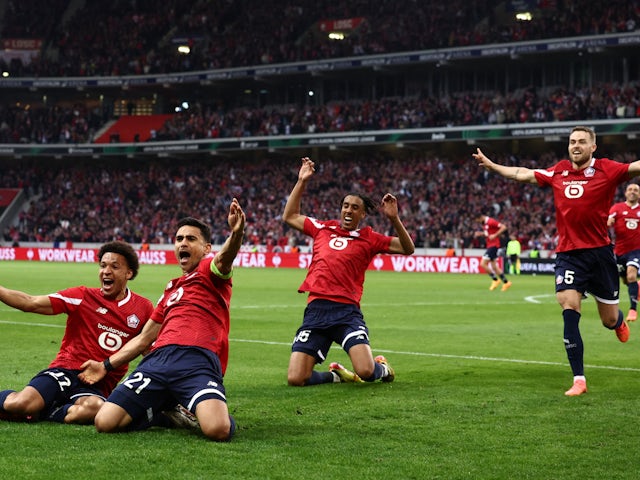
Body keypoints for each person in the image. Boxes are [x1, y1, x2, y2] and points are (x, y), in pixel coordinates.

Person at [472, 125, 640, 396]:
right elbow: (521, 173)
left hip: (600, 255)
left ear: (593, 147)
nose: (576, 145)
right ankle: (579, 379)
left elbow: (634, 167)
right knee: (569, 306)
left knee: (608, 319)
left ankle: (618, 321)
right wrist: (492, 166)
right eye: (573, 141)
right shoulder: (558, 171)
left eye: (582, 142)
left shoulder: (607, 169)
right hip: (568, 255)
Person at [80, 199, 245, 441]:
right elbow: (145, 338)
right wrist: (105, 365)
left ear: (207, 248)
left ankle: (190, 406)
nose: (183, 244)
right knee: (105, 422)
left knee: (217, 430)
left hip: (196, 360)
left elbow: (226, 257)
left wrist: (237, 231)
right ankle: (166, 413)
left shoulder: (211, 272)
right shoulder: (170, 290)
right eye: (179, 239)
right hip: (158, 361)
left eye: (190, 239)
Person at [283, 157, 415, 387]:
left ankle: (382, 368)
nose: (348, 210)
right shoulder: (323, 228)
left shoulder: (369, 238)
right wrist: (301, 181)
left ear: (362, 215)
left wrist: (394, 218)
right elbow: (290, 216)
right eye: (345, 205)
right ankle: (336, 376)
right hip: (316, 310)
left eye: (355, 207)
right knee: (296, 378)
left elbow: (407, 248)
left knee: (365, 370)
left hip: (346, 312)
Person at [0, 241, 154, 424]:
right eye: (103, 266)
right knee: (22, 404)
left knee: (94, 409)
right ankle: (32, 408)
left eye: (115, 266)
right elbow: (30, 302)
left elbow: (149, 350)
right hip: (65, 370)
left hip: (98, 386)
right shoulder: (82, 296)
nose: (106, 271)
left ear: (129, 273)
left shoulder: (143, 308)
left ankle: (43, 411)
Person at [607, 182, 640, 322]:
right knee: (627, 280)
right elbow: (609, 222)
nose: (632, 192)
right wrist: (609, 221)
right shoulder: (617, 208)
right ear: (626, 193)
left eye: (636, 190)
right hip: (620, 251)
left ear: (639, 194)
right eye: (630, 189)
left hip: (636, 251)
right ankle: (637, 287)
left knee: (631, 275)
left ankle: (633, 309)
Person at [474, 214, 512, 291]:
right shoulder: (485, 224)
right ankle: (506, 282)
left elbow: (504, 227)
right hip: (490, 245)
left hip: (494, 245)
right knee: (494, 266)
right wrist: (481, 234)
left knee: (483, 264)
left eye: (478, 221)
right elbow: (489, 234)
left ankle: (495, 280)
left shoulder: (491, 221)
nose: (478, 222)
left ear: (481, 217)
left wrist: (495, 235)